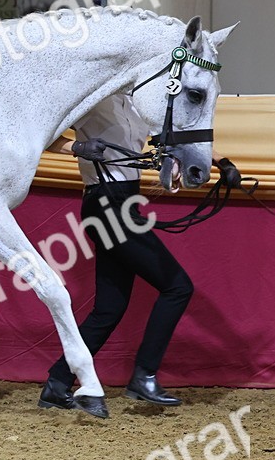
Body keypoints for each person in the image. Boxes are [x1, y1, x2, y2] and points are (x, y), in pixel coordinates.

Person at [39, 93, 242, 413]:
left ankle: (57, 383)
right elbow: (43, 135)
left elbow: (173, 139)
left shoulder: (139, 105)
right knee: (177, 287)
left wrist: (222, 162)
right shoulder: (94, 99)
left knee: (108, 310)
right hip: (105, 203)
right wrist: (78, 148)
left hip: (123, 203)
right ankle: (144, 376)